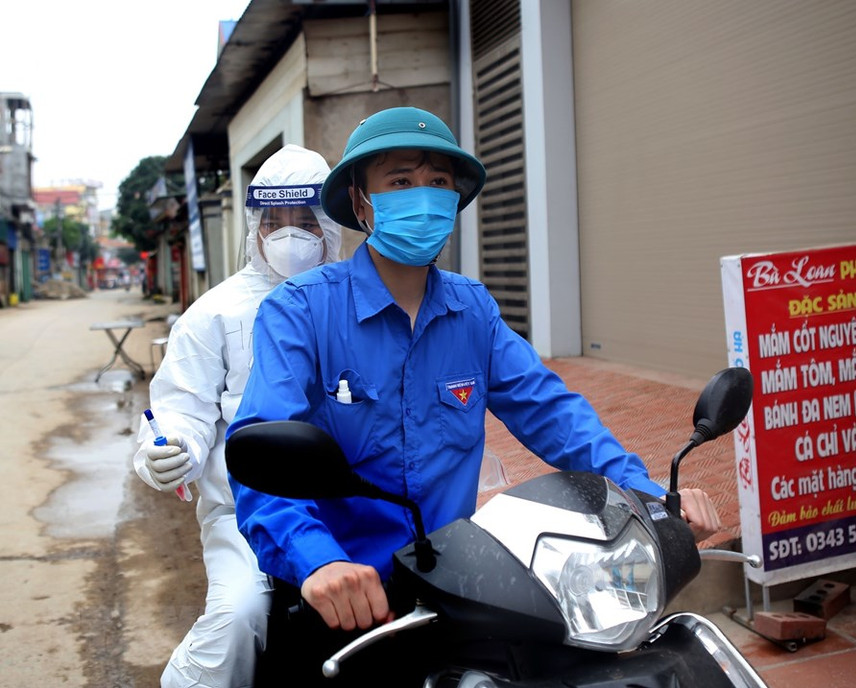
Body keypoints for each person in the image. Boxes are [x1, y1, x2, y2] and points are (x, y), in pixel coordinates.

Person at [227, 107, 720, 673]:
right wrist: (317, 562)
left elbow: (553, 413)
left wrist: (645, 490)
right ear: (363, 203)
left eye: (438, 183)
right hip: (339, 597)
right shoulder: (300, 310)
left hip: (452, 585)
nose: (424, 196)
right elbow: (259, 455)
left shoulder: (473, 310)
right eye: (401, 182)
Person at [133, 144, 342, 688]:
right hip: (245, 513)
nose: (290, 236)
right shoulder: (215, 313)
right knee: (239, 619)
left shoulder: (357, 302)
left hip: (352, 505)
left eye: (305, 221)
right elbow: (182, 404)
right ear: (256, 227)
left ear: (330, 225)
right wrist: (172, 447)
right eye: (275, 222)